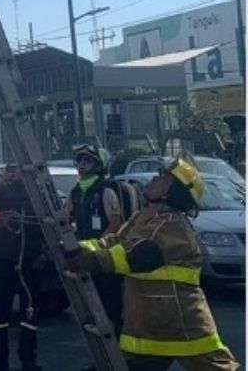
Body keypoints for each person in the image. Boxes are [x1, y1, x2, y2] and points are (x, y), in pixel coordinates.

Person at [66, 157, 239, 371]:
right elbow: (112, 242)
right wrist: (80, 248)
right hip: (148, 321)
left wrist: (93, 261)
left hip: (179, 318)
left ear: (172, 191)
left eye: (163, 178)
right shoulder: (144, 216)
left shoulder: (172, 225)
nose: (154, 179)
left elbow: (137, 255)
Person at [0, 168, 47, 371]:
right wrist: (1, 183)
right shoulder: (4, 190)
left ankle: (29, 360)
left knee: (30, 312)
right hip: (3, 257)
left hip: (31, 257)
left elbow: (51, 223)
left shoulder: (39, 193)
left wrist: (46, 255)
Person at [67, 144, 127, 335]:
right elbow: (67, 219)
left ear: (98, 165)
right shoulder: (76, 192)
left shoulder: (105, 191)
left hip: (105, 259)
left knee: (110, 309)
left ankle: (118, 359)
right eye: (79, 161)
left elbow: (115, 223)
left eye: (87, 161)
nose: (82, 165)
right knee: (92, 311)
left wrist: (98, 249)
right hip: (85, 258)